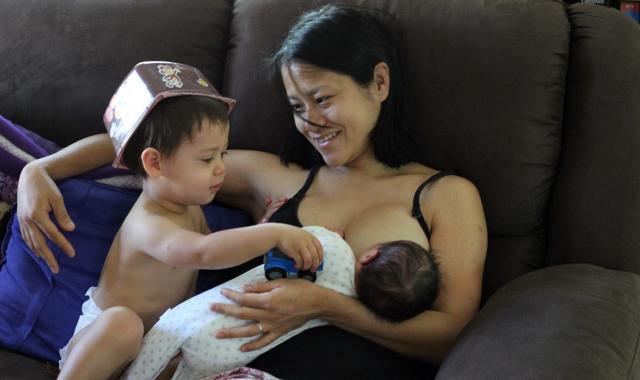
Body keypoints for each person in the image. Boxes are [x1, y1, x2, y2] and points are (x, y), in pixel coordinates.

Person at [17, 4, 487, 378]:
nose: (311, 122)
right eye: (297, 107)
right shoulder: (277, 177)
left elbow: (450, 334)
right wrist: (38, 170)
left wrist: (326, 307)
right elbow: (148, 147)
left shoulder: (444, 195)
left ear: (379, 82)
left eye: (322, 99)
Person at [56, 62, 323, 380]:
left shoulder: (189, 207)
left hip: (150, 352)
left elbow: (219, 252)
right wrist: (271, 232)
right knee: (123, 324)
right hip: (102, 348)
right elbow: (203, 252)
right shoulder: (148, 224)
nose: (221, 168)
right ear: (155, 163)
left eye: (223, 154)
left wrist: (261, 223)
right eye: (207, 158)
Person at [123, 226, 440, 380]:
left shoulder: (334, 246)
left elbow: (290, 239)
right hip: (225, 359)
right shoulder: (339, 313)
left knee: (150, 354)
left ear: (370, 253)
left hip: (200, 320)